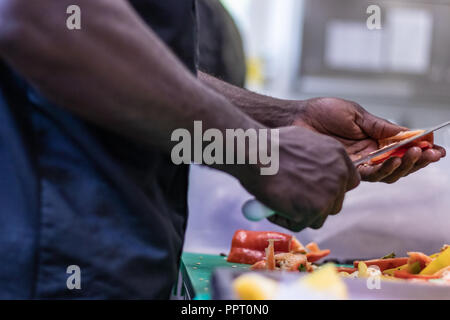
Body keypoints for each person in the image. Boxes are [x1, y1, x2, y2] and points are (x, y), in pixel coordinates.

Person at [0, 0, 445, 299]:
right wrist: (259, 154)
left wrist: (282, 118)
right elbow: (42, 18)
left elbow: (132, 64)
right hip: (53, 258)